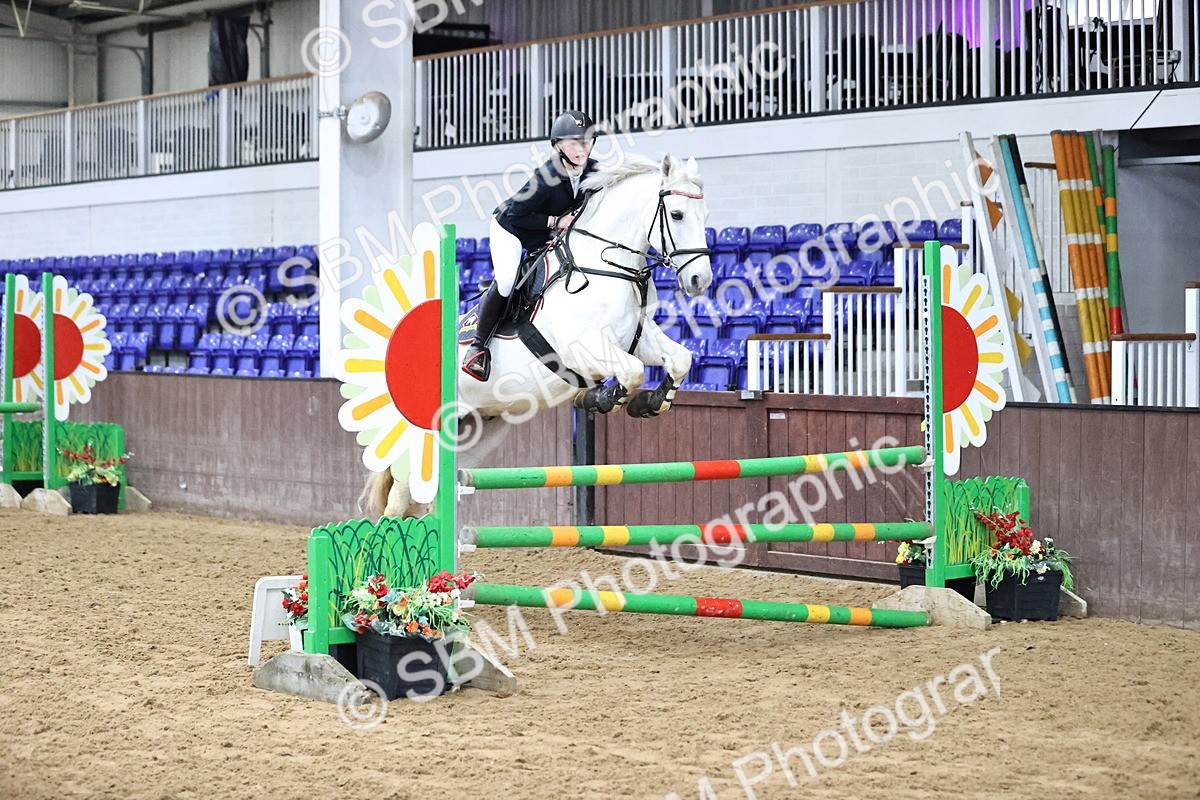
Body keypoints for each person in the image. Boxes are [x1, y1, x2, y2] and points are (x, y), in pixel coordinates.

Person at [461, 110, 599, 381]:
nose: (581, 149)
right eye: (574, 143)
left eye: (586, 142)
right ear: (559, 146)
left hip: (543, 234)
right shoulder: (547, 176)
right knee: (506, 281)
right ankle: (477, 348)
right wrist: (556, 220)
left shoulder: (593, 170)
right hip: (511, 229)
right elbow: (517, 214)